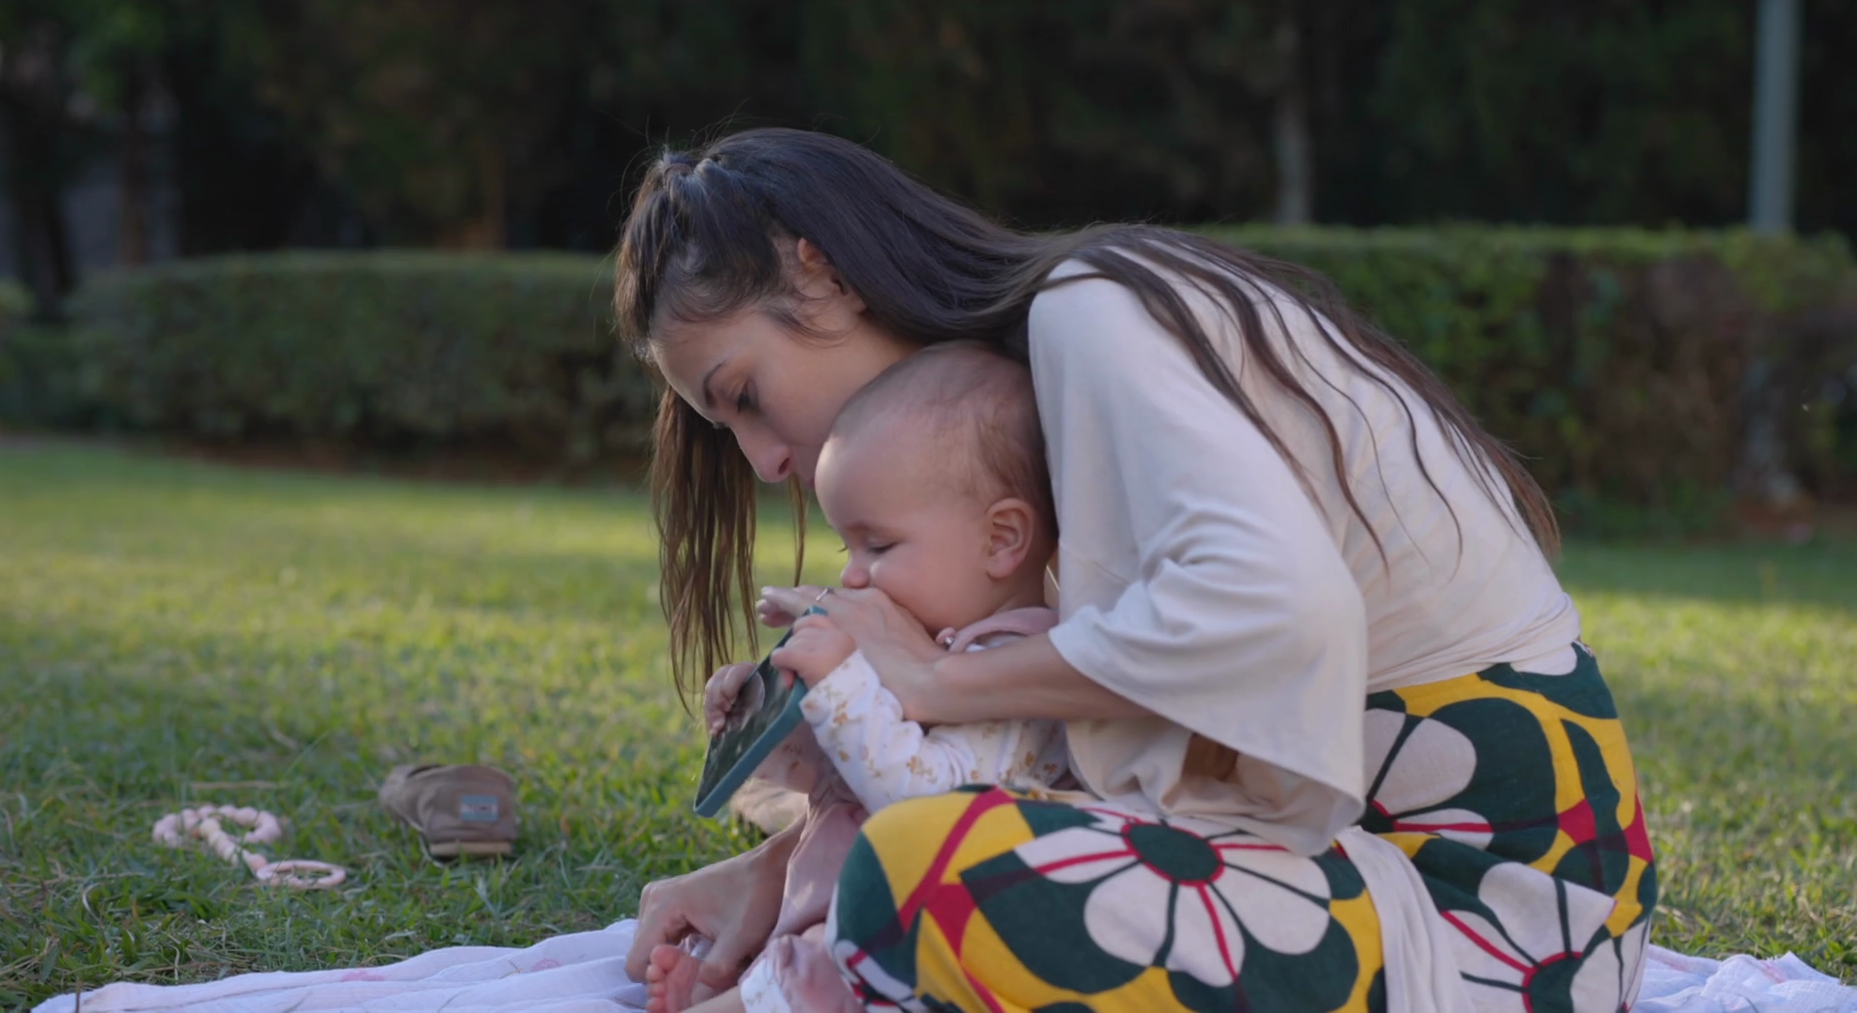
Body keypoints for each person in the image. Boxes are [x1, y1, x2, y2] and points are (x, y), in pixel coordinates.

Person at [615, 127, 1656, 1012]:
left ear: (822, 276)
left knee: (912, 879)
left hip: (1497, 921)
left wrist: (934, 679)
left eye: (744, 396)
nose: (765, 462)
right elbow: (1070, 757)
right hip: (1345, 871)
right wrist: (778, 865)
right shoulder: (1017, 415)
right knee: (902, 870)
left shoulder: (1090, 314)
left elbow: (1276, 613)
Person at [646, 343, 1072, 1013]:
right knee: (778, 966)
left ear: (1001, 540)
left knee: (807, 976)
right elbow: (833, 779)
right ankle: (716, 982)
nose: (851, 574)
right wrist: (767, 717)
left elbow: (928, 803)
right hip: (824, 911)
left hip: (899, 943)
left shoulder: (1018, 669)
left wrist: (841, 683)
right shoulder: (914, 640)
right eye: (848, 546)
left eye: (879, 545)